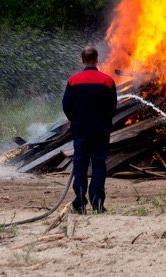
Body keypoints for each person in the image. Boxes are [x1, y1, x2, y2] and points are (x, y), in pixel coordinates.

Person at [62, 46, 117, 214]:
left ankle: (79, 202)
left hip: (81, 130)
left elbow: (66, 106)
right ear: (96, 59)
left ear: (82, 60)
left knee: (80, 164)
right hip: (100, 130)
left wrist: (75, 120)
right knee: (99, 164)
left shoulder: (73, 81)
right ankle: (97, 203)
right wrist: (105, 122)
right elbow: (112, 107)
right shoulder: (107, 81)